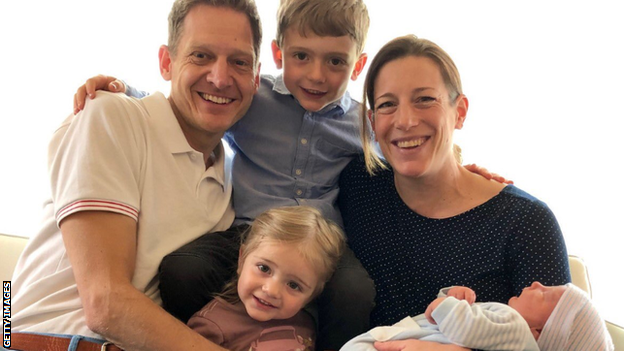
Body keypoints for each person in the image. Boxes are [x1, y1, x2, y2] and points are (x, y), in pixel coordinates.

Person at [72, 1, 377, 348]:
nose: (316, 75)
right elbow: (181, 107)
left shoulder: (363, 124)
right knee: (183, 270)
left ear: (358, 65)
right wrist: (124, 89)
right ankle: (215, 332)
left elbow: (401, 150)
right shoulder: (252, 98)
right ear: (279, 54)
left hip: (322, 243)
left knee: (355, 292)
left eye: (336, 61)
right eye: (302, 57)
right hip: (249, 234)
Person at [8, 1, 262, 350]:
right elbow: (105, 303)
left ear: (257, 78)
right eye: (200, 56)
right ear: (166, 63)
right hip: (50, 339)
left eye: (239, 62)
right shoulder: (110, 116)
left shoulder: (232, 176)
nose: (220, 78)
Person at [337, 34, 572, 350]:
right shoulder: (358, 184)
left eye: (424, 99)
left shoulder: (525, 222)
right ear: (373, 122)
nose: (405, 120)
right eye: (387, 104)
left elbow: (564, 343)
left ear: (459, 112)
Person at [187, 205, 345, 351]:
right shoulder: (212, 326)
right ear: (242, 260)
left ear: (312, 295)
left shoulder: (308, 322)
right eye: (264, 268)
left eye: (293, 285)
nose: (271, 290)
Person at [341, 283, 614, 351]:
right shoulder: (504, 330)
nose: (536, 284)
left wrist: (447, 303)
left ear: (539, 332)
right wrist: (453, 297)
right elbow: (456, 328)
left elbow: (458, 323)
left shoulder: (516, 328)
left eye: (546, 295)